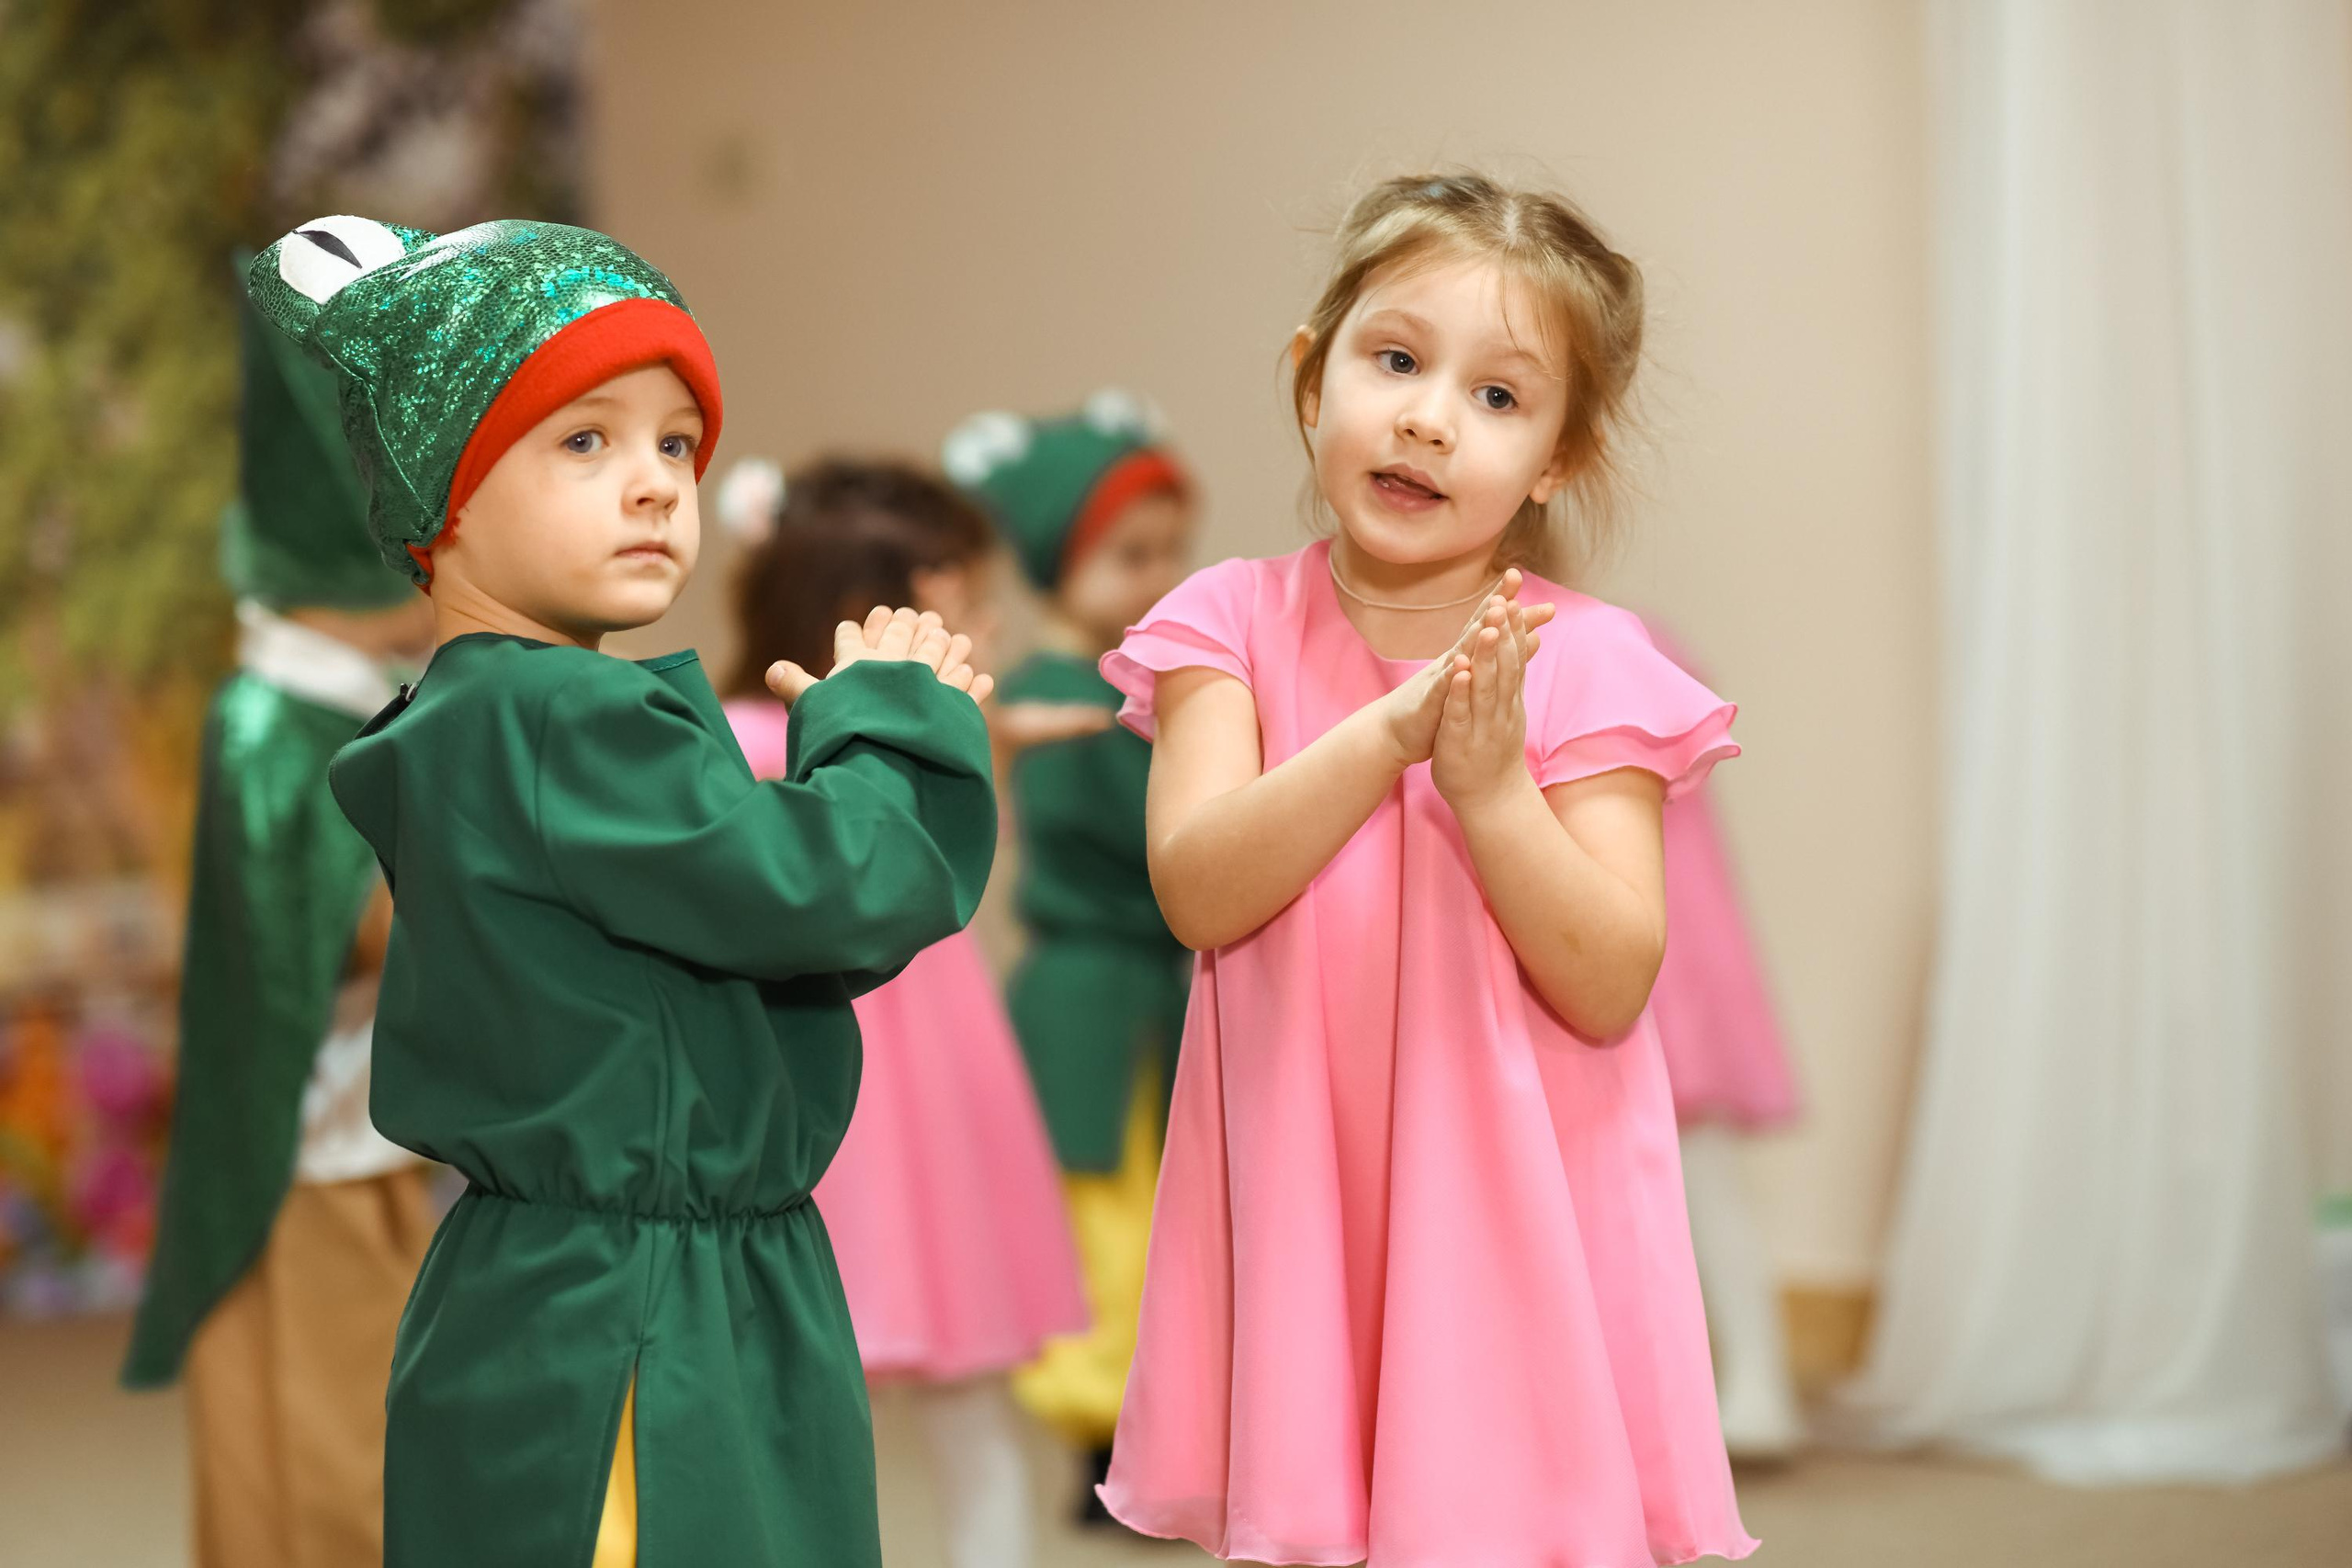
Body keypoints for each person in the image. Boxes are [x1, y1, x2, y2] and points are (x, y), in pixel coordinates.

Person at [246, 214, 996, 1566]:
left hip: (544, 1282)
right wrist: (894, 728)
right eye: (584, 440)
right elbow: (828, 889)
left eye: (674, 444)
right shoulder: (566, 719)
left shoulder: (472, 717)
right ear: (444, 496)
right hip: (649, 1311)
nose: (654, 484)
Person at [1095, 174, 1758, 1564]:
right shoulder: (1223, 623)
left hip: (1523, 1218)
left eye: (1499, 397)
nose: (1429, 415)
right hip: (1312, 1194)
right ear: (1310, 374)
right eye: (1395, 359)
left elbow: (1610, 978)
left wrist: (1490, 784)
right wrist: (1385, 735)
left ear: (1558, 457)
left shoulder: (1588, 661)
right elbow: (1201, 886)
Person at [717, 455, 1087, 1568]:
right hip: (822, 1101)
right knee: (795, 1393)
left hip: (938, 1093)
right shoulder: (743, 743)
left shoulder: (932, 736)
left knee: (972, 1403)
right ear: (867, 609)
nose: (982, 623)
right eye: (963, 598)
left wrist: (986, 759)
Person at [121, 281, 439, 1568]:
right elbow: (332, 928)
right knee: (325, 1467)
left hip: (370, 1129)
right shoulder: (271, 723)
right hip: (298, 1152)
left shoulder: (358, 697)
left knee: (391, 1423)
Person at [941, 392, 1196, 1519]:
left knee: (1140, 1211)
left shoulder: (1116, 693)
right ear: (1057, 562)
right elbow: (1161, 840)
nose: (1158, 576)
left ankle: (1133, 1430)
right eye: (1129, 554)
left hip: (1134, 989)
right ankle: (1105, 1437)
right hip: (1093, 993)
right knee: (1102, 1221)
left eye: (1172, 552)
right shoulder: (1068, 701)